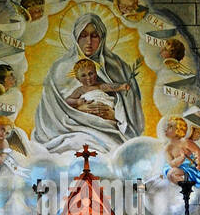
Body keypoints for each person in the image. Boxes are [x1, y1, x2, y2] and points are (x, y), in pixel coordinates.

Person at [33, 12, 143, 155]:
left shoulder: (118, 67)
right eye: (83, 35)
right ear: (76, 37)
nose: (89, 42)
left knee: (115, 153)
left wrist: (114, 115)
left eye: (94, 36)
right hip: (69, 130)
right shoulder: (59, 68)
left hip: (110, 130)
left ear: (102, 37)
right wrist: (81, 108)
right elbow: (50, 112)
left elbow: (131, 110)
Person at [65, 57, 130, 125]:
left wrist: (122, 87)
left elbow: (111, 87)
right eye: (83, 75)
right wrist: (77, 102)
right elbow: (67, 100)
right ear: (78, 78)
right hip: (88, 114)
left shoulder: (100, 86)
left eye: (91, 74)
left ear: (96, 73)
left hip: (104, 111)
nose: (88, 78)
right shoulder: (80, 90)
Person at [163, 116, 200, 186]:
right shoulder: (167, 148)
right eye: (167, 126)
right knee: (170, 174)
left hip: (192, 166)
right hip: (180, 167)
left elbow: (197, 151)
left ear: (178, 130)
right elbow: (171, 164)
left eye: (170, 127)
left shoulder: (185, 142)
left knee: (172, 173)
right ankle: (185, 186)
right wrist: (181, 158)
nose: (166, 129)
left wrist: (199, 163)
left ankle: (188, 183)